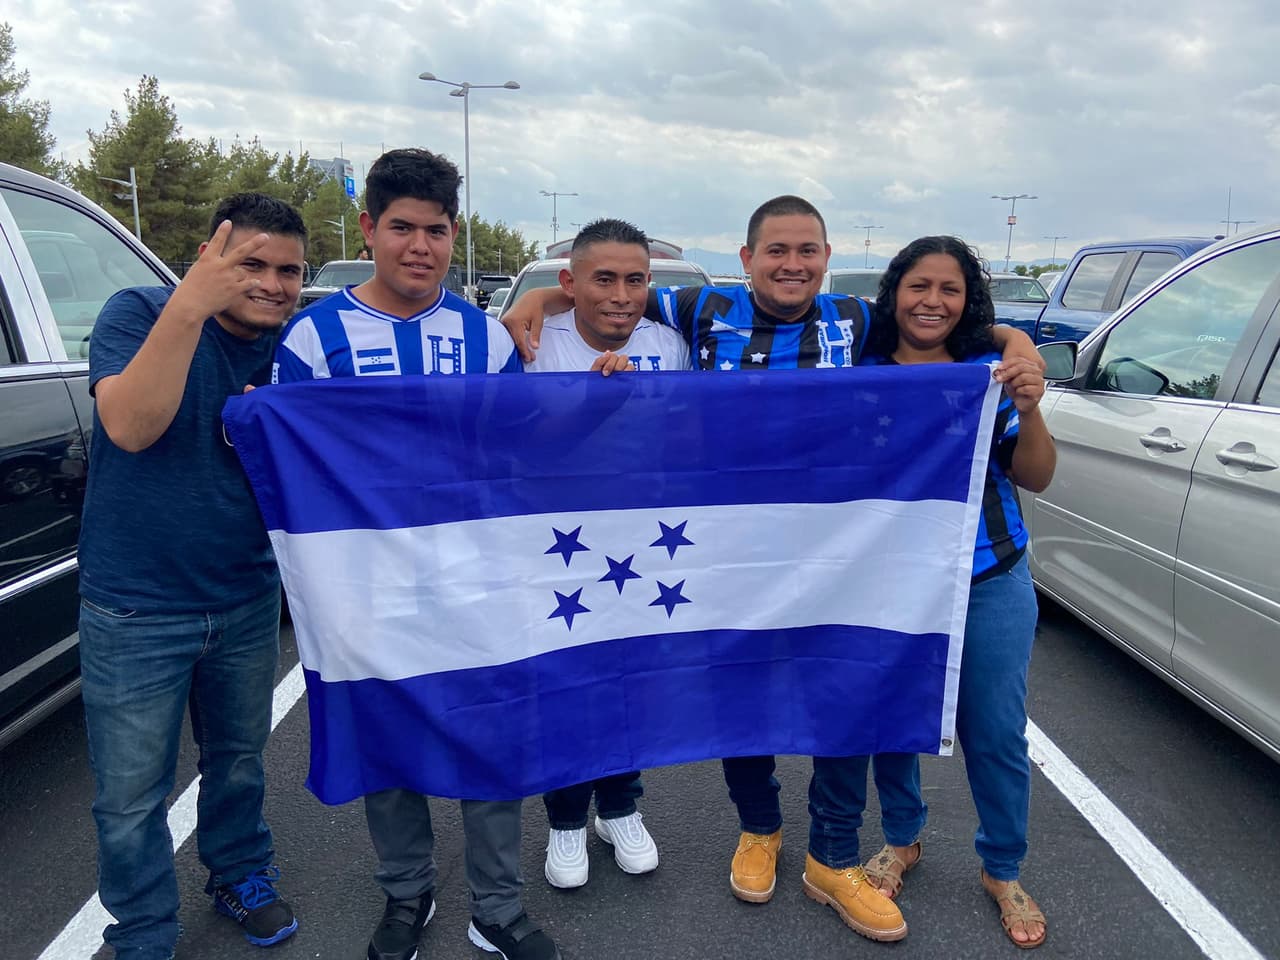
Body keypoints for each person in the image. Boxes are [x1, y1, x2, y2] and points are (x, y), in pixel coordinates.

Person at [502, 195, 1046, 943]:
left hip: (838, 548)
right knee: (743, 691)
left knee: (843, 692)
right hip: (736, 545)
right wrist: (538, 294)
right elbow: (607, 286)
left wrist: (1021, 339)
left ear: (826, 259)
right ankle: (759, 829)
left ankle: (832, 854)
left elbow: (959, 329)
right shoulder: (698, 308)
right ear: (746, 258)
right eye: (777, 251)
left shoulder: (858, 323)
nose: (793, 265)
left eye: (807, 251)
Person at [273, 147, 560, 960]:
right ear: (369, 229)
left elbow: (518, 458)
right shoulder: (311, 339)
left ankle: (496, 907)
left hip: (476, 582)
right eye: (401, 227)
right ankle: (407, 893)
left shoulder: (489, 341)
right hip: (366, 588)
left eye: (436, 230)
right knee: (389, 743)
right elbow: (289, 461)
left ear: (452, 235)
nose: (419, 245)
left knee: (489, 740)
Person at [79, 193, 308, 960]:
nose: (274, 284)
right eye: (252, 264)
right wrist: (190, 309)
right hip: (135, 607)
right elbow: (131, 427)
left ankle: (238, 871)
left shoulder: (295, 345)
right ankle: (142, 928)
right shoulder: (138, 312)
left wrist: (541, 298)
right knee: (129, 796)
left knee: (238, 762)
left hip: (246, 596)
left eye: (289, 270)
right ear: (206, 261)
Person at [853, 236, 1054, 949]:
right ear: (893, 291)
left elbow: (1035, 478)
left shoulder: (987, 373)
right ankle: (903, 838)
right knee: (894, 721)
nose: (931, 302)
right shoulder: (861, 363)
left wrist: (1029, 404)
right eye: (918, 286)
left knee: (995, 732)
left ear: (969, 301)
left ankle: (1002, 868)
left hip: (990, 575)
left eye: (949, 290)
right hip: (893, 581)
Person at [525, 217, 689, 889]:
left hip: (641, 544)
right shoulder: (532, 341)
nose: (621, 294)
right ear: (569, 284)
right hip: (557, 546)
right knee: (566, 680)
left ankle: (619, 807)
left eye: (635, 279)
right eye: (603, 279)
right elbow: (507, 443)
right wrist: (588, 406)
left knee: (631, 679)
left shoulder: (672, 343)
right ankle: (565, 819)